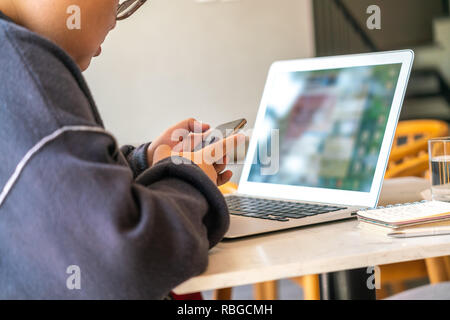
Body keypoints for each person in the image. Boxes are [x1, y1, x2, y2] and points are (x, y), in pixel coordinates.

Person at [0, 0, 243, 299]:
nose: (116, 17)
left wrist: (146, 163)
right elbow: (125, 260)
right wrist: (190, 177)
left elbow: (45, 199)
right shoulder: (24, 68)